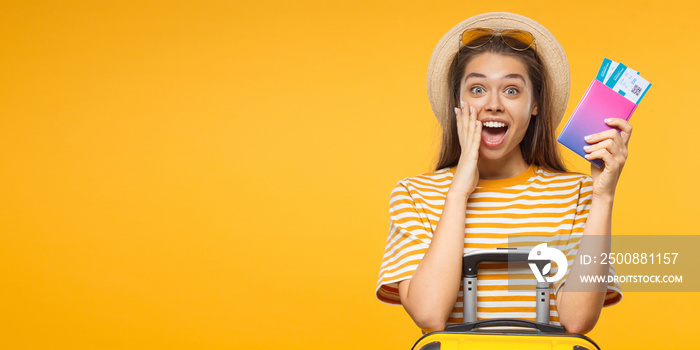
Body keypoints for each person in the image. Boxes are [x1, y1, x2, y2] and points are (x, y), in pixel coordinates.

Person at [376, 12, 628, 334]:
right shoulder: (414, 195)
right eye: (477, 89)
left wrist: (603, 196)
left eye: (511, 91)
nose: (493, 104)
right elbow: (429, 314)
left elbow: (577, 320)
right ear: (458, 102)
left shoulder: (576, 193)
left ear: (534, 104)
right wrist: (459, 191)